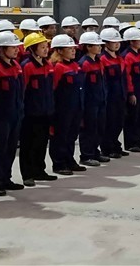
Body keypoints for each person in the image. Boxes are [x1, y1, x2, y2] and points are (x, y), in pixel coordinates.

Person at [0, 31, 25, 196]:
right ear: (1, 49)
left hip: (14, 116)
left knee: (10, 149)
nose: (17, 50)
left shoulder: (16, 66)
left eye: (17, 47)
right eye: (12, 47)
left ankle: (5, 178)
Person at [19, 33, 57, 187]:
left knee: (41, 143)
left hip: (46, 111)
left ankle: (39, 170)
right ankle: (27, 174)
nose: (46, 49)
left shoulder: (48, 65)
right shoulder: (27, 66)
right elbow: (22, 90)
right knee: (28, 144)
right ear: (32, 49)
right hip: (30, 113)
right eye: (42, 47)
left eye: (46, 46)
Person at [49, 34, 86, 175]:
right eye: (69, 48)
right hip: (62, 109)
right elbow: (53, 88)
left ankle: (69, 160)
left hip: (75, 106)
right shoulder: (58, 67)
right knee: (61, 136)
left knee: (71, 135)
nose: (73, 51)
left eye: (74, 48)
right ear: (59, 50)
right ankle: (59, 163)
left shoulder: (75, 65)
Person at [78, 31, 109, 167]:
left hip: (100, 100)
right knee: (88, 129)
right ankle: (86, 155)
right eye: (97, 45)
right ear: (88, 47)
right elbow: (83, 86)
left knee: (99, 127)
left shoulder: (98, 61)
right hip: (90, 102)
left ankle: (95, 151)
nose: (100, 47)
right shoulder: (84, 63)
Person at [99, 28, 128, 159]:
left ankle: (116, 145)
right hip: (109, 97)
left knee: (118, 122)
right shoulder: (103, 59)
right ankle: (107, 148)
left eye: (118, 42)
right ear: (106, 43)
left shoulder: (120, 58)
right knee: (109, 123)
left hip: (120, 95)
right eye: (113, 42)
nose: (117, 44)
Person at [122, 28, 140, 153]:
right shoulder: (128, 56)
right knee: (132, 117)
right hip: (135, 91)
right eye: (138, 40)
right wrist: (131, 93)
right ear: (131, 41)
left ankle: (138, 140)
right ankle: (131, 142)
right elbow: (128, 76)